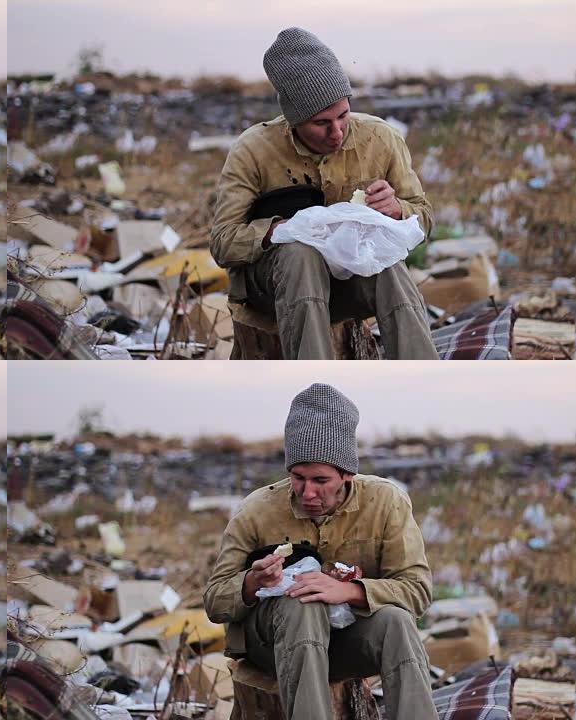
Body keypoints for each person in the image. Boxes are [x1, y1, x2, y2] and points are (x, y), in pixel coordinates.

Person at [203, 383, 436, 719]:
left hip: (343, 643)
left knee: (397, 621)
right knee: (303, 603)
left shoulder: (386, 503)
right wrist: (252, 582)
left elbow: (417, 591)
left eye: (320, 480)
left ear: (347, 475)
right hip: (272, 647)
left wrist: (350, 591)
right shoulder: (256, 510)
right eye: (298, 478)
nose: (307, 492)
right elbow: (214, 600)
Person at [209, 28, 439, 359]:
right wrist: (276, 231)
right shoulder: (253, 150)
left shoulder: (380, 139)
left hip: (347, 287)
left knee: (388, 264)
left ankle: (422, 381)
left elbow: (424, 218)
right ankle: (316, 386)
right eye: (321, 123)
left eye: (343, 116)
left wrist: (397, 210)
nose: (337, 132)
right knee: (299, 253)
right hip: (274, 292)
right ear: (293, 121)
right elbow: (222, 243)